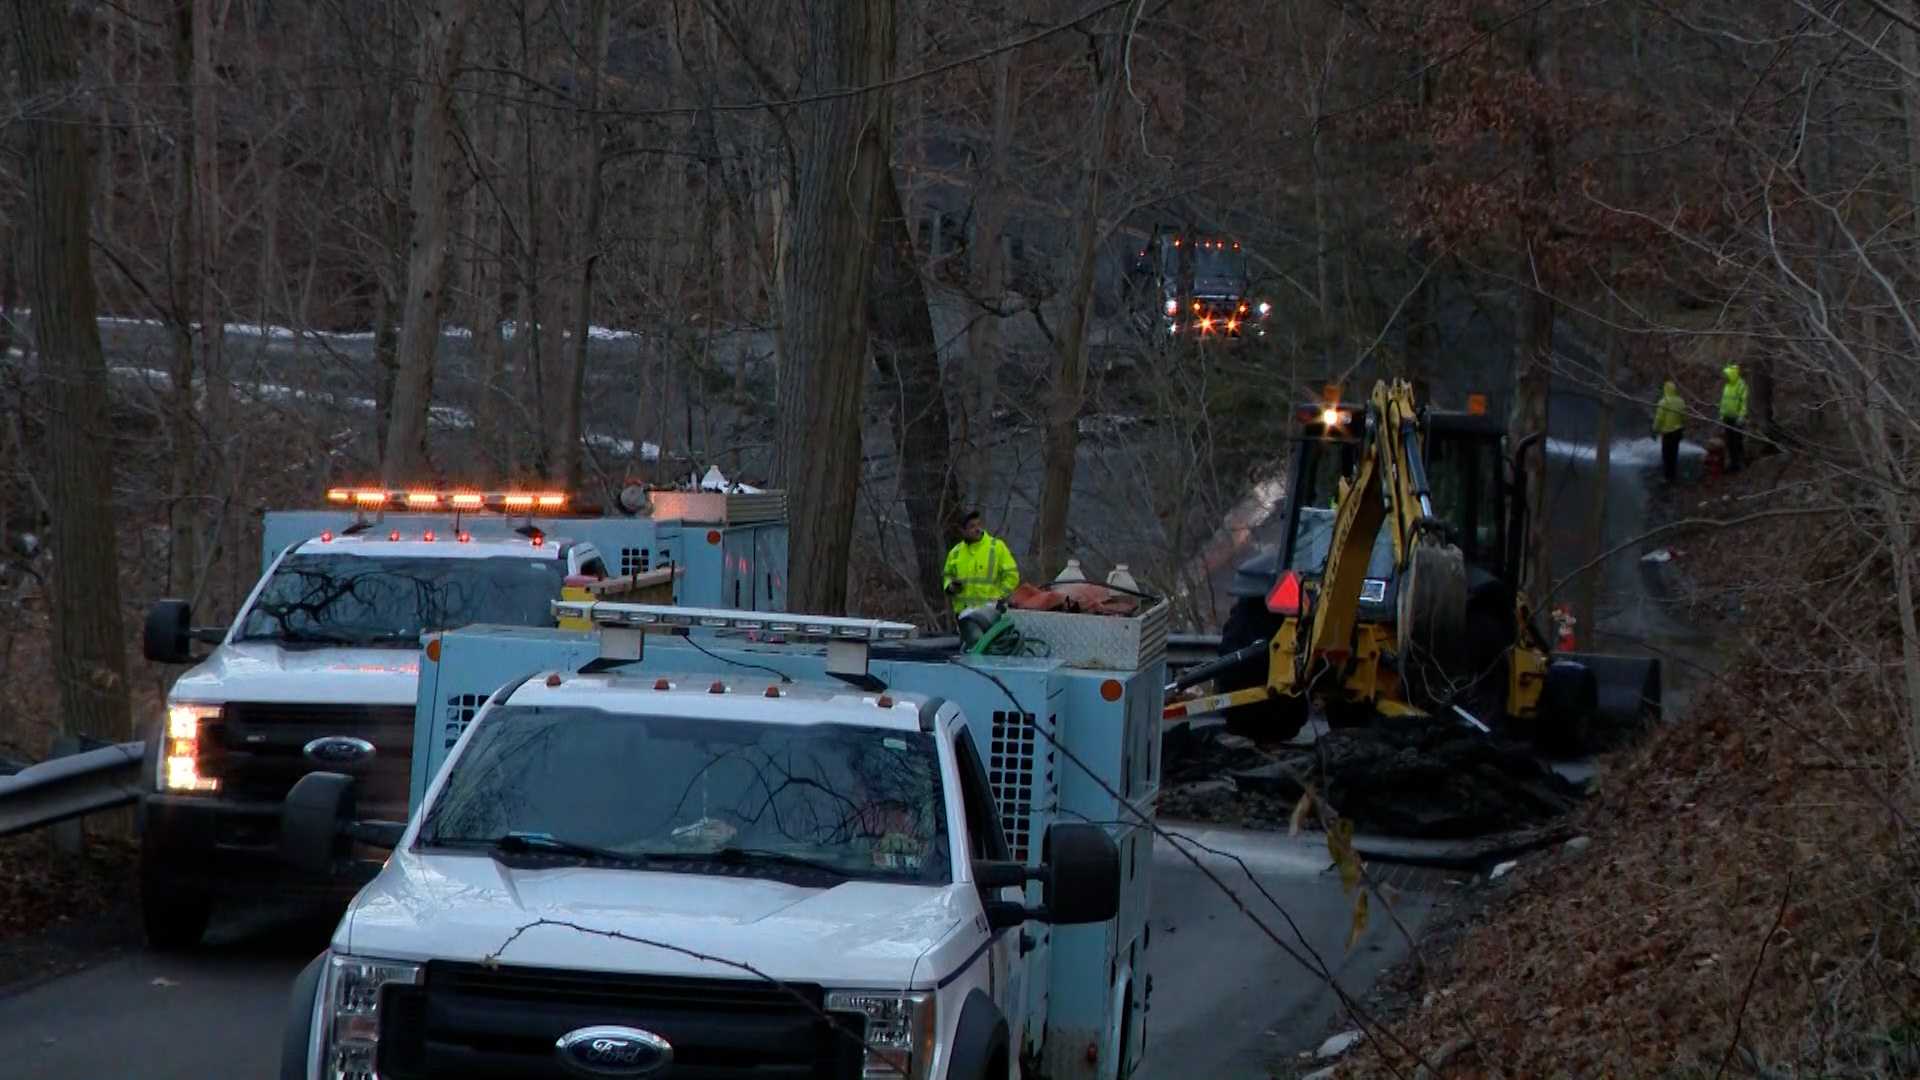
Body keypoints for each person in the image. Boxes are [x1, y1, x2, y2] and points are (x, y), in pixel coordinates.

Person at [942, 510, 1020, 614]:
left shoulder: (996, 547)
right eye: (972, 526)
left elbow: (1012, 575)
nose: (977, 529)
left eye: (979, 524)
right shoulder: (955, 552)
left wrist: (999, 596)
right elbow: (947, 575)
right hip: (963, 614)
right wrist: (951, 587)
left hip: (991, 612)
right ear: (962, 530)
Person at [1652, 379, 1687, 484]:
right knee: (1674, 453)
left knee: (1666, 455)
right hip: (1678, 431)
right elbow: (1683, 416)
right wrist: (1683, 427)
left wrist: (1655, 429)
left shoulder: (1664, 402)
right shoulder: (1681, 401)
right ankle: (1673, 475)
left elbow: (1659, 418)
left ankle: (1667, 478)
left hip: (1667, 432)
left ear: (1666, 390)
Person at [1719, 364, 1750, 473]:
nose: (1725, 377)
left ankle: (1741, 464)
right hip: (1727, 418)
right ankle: (1733, 464)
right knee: (1730, 442)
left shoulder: (1741, 385)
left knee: (1738, 442)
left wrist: (1741, 416)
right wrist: (1722, 415)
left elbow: (1744, 403)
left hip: (1737, 419)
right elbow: (1724, 402)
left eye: (1727, 375)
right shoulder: (1727, 386)